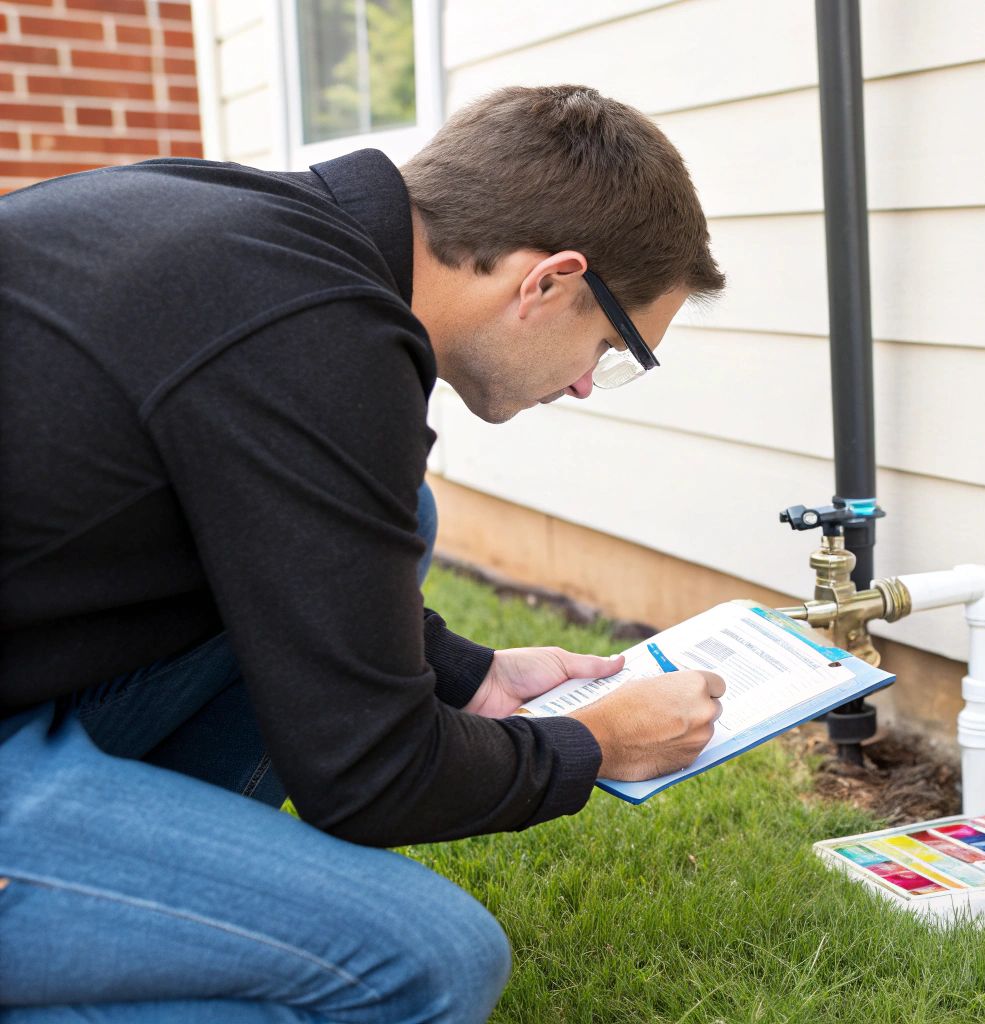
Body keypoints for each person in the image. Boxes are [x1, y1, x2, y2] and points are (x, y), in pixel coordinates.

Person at [0, 85, 729, 1022]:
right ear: (549, 281)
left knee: (404, 515)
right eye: (612, 344)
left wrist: (470, 675)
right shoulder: (318, 340)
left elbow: (283, 555)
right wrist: (595, 744)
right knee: (429, 963)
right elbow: (373, 777)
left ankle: (151, 890)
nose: (589, 384)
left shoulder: (254, 238)